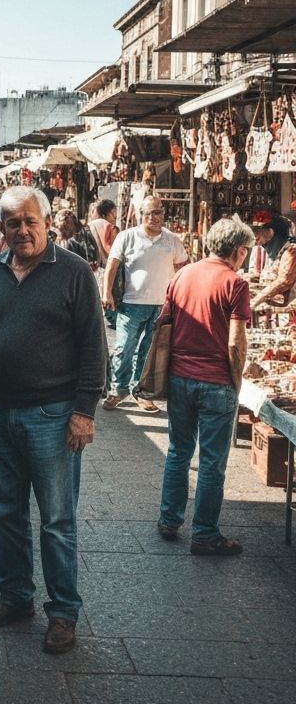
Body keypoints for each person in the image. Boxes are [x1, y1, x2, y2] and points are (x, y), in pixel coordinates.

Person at [0, 186, 106, 654]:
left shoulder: (72, 272)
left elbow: (94, 345)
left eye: (31, 221)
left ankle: (63, 611)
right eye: (13, 223)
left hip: (53, 413)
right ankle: (15, 597)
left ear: (47, 222)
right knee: (6, 513)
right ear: (2, 228)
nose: (23, 230)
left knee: (56, 519)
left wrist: (84, 411)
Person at [157, 218, 253, 555]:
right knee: (212, 462)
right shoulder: (235, 283)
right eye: (246, 250)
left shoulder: (182, 275)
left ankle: (169, 519)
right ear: (239, 250)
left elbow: (165, 323)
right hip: (215, 382)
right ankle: (205, 534)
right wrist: (236, 381)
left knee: (178, 451)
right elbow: (235, 342)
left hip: (180, 377)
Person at [102, 196, 189, 413]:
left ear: (163, 213)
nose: (153, 218)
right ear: (140, 215)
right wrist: (106, 293)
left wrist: (181, 298)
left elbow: (183, 269)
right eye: (148, 213)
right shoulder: (127, 237)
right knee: (123, 349)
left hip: (161, 306)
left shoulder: (172, 240)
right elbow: (112, 265)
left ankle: (140, 392)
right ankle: (118, 390)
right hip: (131, 304)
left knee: (149, 353)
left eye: (157, 212)